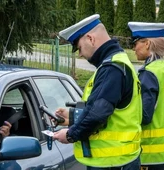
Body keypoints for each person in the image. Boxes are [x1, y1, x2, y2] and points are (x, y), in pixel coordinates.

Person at [52, 14, 142, 170]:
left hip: (112, 162)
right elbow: (108, 109)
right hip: (120, 160)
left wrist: (70, 134)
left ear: (90, 39)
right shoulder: (116, 63)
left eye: (79, 47)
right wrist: (72, 116)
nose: (80, 54)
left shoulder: (111, 69)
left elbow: (98, 113)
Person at [128, 22, 164, 170]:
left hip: (151, 154)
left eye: (135, 43)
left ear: (147, 44)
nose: (133, 48)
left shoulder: (148, 73)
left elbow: (144, 116)